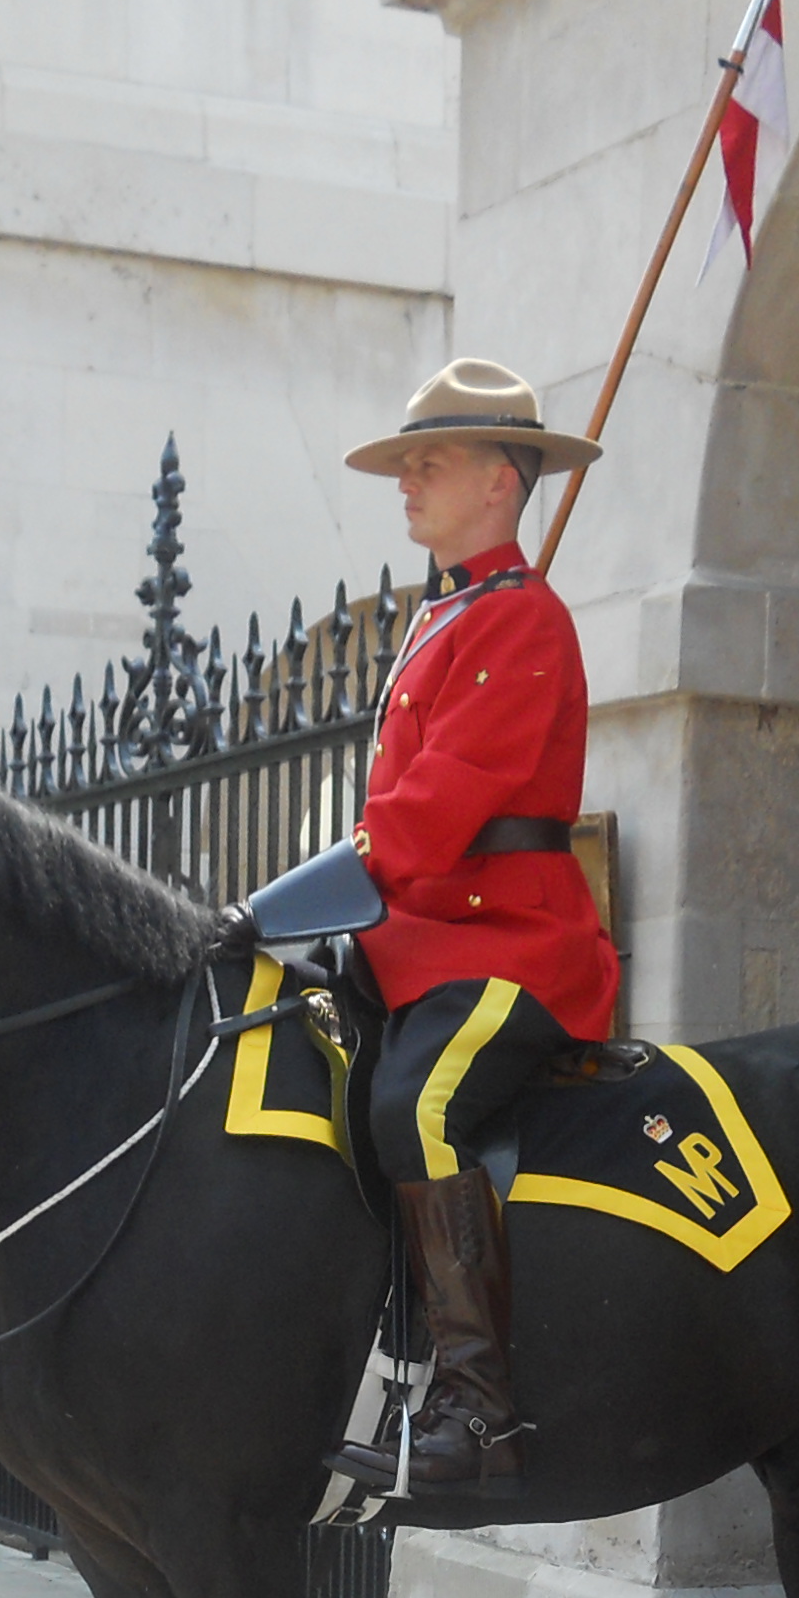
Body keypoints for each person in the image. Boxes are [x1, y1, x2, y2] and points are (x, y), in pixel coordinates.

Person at [321, 360, 621, 1492]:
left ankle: (481, 1417)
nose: (407, 482)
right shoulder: (448, 613)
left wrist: (317, 887)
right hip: (421, 941)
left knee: (419, 1103)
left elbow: (437, 806)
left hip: (513, 948)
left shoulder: (523, 618)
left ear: (501, 481)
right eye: (405, 463)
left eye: (429, 463)